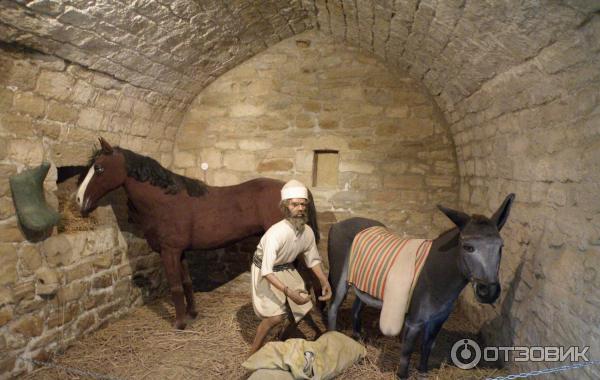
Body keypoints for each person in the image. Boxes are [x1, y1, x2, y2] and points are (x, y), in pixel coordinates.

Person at [249, 179, 332, 355]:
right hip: (265, 270)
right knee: (276, 317)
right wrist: (289, 292)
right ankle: (253, 351)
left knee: (302, 308)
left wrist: (324, 281)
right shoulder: (276, 233)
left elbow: (313, 259)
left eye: (303, 204)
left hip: (285, 267)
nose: (300, 208)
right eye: (295, 204)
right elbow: (267, 271)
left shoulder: (307, 232)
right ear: (286, 207)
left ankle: (281, 340)